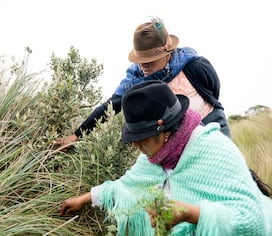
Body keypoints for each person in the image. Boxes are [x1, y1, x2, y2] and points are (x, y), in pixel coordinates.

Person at [59, 80, 272, 235]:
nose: (136, 145)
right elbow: (126, 185)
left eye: (143, 137)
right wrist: (82, 199)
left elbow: (254, 222)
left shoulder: (215, 149)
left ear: (166, 133)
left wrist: (190, 213)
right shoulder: (156, 156)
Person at [54, 17, 231, 150]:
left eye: (150, 60)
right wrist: (77, 135)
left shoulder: (194, 65)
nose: (143, 65)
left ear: (166, 53)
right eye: (140, 60)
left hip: (212, 124)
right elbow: (110, 107)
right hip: (178, 140)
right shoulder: (135, 78)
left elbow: (213, 90)